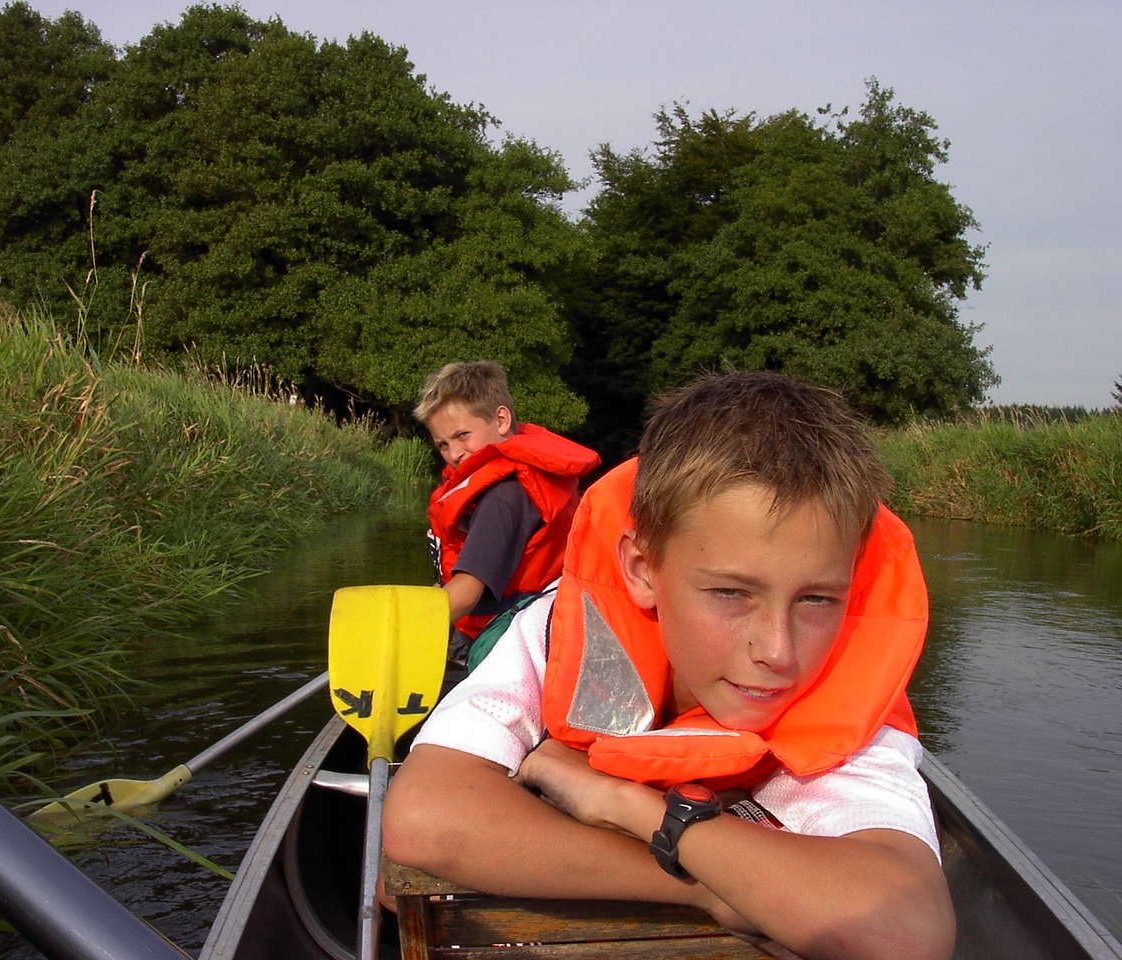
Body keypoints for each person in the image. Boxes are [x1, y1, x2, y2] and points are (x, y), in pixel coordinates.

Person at [385, 371, 956, 960]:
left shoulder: (850, 695)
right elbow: (422, 817)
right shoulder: (557, 633)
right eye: (732, 594)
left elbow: (904, 934)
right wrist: (707, 884)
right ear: (642, 570)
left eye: (817, 600)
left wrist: (624, 804)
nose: (779, 651)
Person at [414, 361, 600, 664]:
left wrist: (403, 625)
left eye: (463, 435)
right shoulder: (511, 483)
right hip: (518, 629)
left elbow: (466, 594)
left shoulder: (504, 497)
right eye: (443, 444)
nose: (455, 453)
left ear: (501, 420)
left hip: (503, 641)